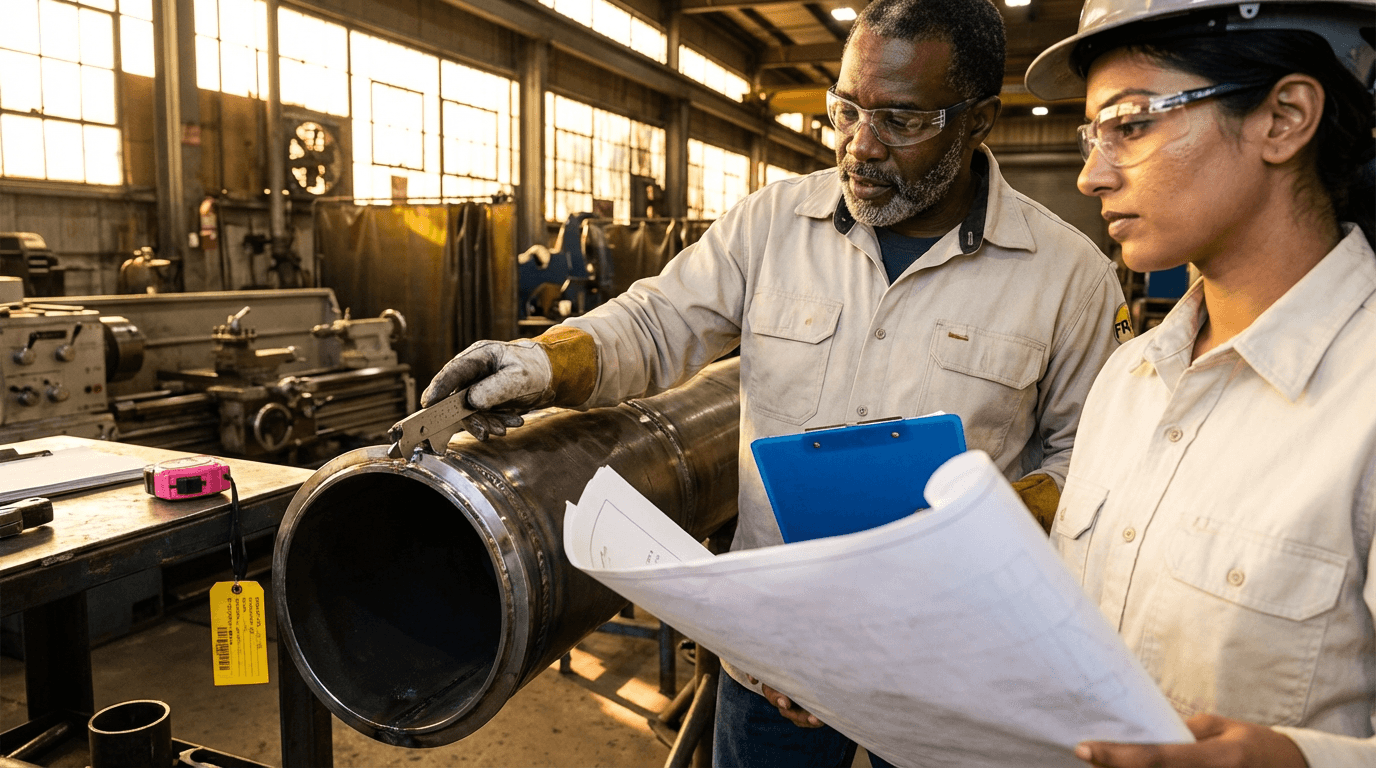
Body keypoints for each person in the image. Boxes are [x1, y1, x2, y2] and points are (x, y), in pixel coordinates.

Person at [424, 0, 1129, 762]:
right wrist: (543, 363)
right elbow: (657, 322)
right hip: (777, 650)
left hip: (948, 659)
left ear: (979, 119)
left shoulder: (1068, 278)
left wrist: (972, 528)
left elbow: (1088, 462)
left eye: (900, 121)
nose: (860, 146)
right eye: (846, 109)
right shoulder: (771, 224)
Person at [1024, 0, 1376, 765]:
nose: (1092, 173)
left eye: (1132, 123)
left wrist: (1292, 758)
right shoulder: (1129, 379)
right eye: (1093, 135)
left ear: (1283, 119)